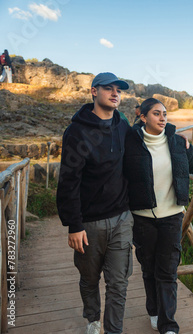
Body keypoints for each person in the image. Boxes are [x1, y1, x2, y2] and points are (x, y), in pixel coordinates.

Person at [123, 97, 193, 334]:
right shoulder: (130, 142)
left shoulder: (177, 143)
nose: (162, 118)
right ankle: (154, 311)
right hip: (142, 216)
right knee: (149, 267)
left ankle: (168, 325)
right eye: (156, 113)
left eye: (165, 114)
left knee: (168, 270)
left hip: (172, 216)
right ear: (143, 116)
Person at [57, 72, 133, 334]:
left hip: (122, 218)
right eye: (109, 89)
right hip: (88, 223)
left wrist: (178, 139)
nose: (115, 94)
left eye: (119, 90)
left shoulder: (122, 125)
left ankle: (113, 331)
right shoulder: (76, 132)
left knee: (118, 283)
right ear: (93, 91)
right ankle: (93, 319)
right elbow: (68, 181)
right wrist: (74, 225)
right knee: (89, 279)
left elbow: (147, 138)